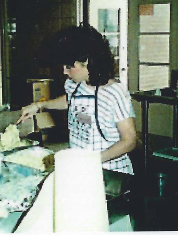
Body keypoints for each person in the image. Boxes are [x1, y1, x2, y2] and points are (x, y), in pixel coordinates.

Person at [17, 25, 136, 174]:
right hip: (80, 168)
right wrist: (39, 105)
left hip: (110, 173)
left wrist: (92, 161)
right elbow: (71, 101)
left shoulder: (114, 93)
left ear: (86, 62)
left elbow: (129, 140)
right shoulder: (75, 85)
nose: (64, 71)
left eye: (69, 66)